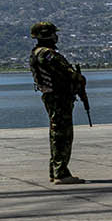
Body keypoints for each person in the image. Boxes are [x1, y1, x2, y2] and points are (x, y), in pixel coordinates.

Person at [28, 21, 87, 185]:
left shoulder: (37, 52)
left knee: (57, 134)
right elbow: (66, 72)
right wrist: (79, 78)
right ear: (47, 35)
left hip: (52, 97)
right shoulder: (47, 54)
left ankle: (56, 171)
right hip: (58, 98)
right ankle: (61, 173)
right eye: (53, 33)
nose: (56, 36)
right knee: (62, 135)